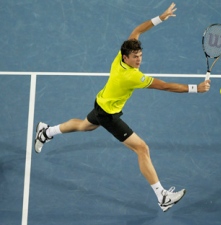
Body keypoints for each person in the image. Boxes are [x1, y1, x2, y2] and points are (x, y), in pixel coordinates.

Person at [35, 2, 211, 212]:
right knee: (142, 149)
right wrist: (195, 88)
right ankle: (162, 196)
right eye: (135, 57)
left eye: (140, 56)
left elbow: (137, 30)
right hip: (108, 115)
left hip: (101, 103)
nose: (139, 60)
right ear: (126, 57)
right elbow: (164, 86)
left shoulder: (122, 55)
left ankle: (46, 131)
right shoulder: (132, 76)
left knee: (83, 125)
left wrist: (160, 18)